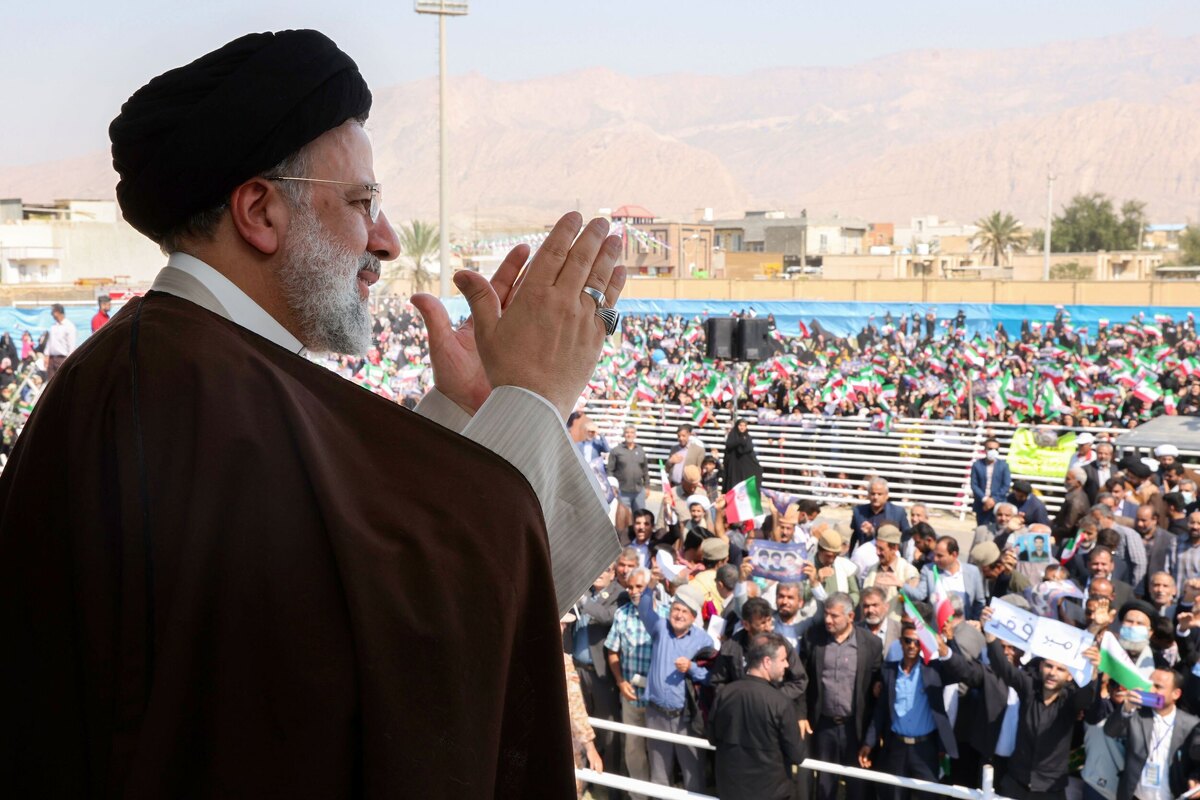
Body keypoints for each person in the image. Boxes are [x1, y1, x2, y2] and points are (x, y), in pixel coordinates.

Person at [0, 30, 625, 797]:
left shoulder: (191, 373)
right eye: (362, 203)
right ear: (260, 211)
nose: (388, 241)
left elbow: (337, 582)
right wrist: (533, 397)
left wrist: (468, 419)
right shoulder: (188, 394)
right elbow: (407, 663)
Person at [980, 606, 1101, 800]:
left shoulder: (1069, 702)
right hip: (1015, 783)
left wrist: (1093, 671)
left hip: (1050, 790)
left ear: (1070, 676)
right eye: (1049, 666)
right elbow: (1003, 668)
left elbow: (1086, 698)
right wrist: (990, 635)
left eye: (1060, 669)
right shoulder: (1029, 687)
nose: (1053, 672)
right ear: (1041, 666)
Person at [859, 621, 962, 800]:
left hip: (925, 748)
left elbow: (959, 671)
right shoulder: (889, 671)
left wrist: (950, 642)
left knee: (929, 796)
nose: (912, 645)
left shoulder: (933, 670)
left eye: (917, 642)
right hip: (896, 747)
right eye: (908, 641)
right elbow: (880, 712)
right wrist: (869, 743)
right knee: (894, 795)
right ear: (901, 642)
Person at [803, 592, 883, 800]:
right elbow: (802, 682)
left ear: (850, 617)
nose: (828, 620)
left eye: (834, 616)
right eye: (826, 614)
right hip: (824, 726)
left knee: (858, 786)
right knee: (824, 784)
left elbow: (877, 683)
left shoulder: (871, 643)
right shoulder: (813, 638)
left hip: (855, 728)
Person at [707, 632, 807, 800]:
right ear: (767, 662)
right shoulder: (781, 703)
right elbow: (797, 754)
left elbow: (712, 738)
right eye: (783, 659)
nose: (787, 665)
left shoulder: (725, 694)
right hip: (771, 793)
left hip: (730, 790)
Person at [637, 580, 713, 792]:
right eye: (676, 609)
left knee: (692, 772)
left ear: (694, 617)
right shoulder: (661, 627)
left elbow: (712, 677)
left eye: (685, 611)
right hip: (656, 713)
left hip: (685, 718)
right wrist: (651, 583)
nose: (679, 615)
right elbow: (644, 608)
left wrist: (691, 668)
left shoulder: (704, 640)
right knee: (659, 771)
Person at [1097, 668, 1200, 800]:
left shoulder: (1191, 724)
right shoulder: (1136, 715)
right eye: (1149, 684)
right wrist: (1126, 708)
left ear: (1176, 694)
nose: (1151, 690)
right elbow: (1110, 731)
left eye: (1158, 687)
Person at [604, 566, 655, 797]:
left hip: (656, 699)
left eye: (640, 587)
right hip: (631, 695)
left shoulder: (664, 612)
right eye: (631, 586)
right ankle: (639, 796)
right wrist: (620, 681)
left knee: (658, 749)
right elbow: (612, 652)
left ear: (649, 587)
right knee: (634, 749)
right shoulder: (622, 614)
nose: (634, 591)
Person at [562, 611, 605, 797]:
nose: (565, 628)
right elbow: (574, 707)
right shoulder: (561, 661)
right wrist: (590, 748)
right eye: (562, 623)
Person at [909, 536, 986, 620]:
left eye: (940, 556)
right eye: (935, 554)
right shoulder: (929, 570)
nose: (935, 559)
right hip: (938, 630)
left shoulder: (972, 572)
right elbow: (920, 595)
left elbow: (979, 602)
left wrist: (974, 622)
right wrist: (901, 585)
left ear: (954, 555)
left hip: (963, 629)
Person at [850, 478, 911, 550]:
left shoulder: (898, 512)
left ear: (887, 496)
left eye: (879, 494)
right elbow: (854, 537)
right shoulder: (858, 512)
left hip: (889, 555)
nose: (875, 497)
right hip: (865, 555)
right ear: (868, 495)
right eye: (873, 494)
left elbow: (907, 536)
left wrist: (873, 532)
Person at [971, 437, 1012, 527]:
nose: (993, 451)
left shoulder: (1004, 466)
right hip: (981, 503)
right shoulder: (977, 465)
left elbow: (1006, 485)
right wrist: (985, 499)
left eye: (996, 449)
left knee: (998, 531)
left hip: (998, 504)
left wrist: (993, 500)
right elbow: (974, 485)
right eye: (990, 449)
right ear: (985, 449)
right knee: (982, 529)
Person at [610, 425, 650, 512]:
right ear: (624, 434)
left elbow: (645, 470)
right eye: (627, 432)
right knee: (623, 519)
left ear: (635, 435)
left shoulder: (640, 450)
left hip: (638, 491)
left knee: (640, 516)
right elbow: (610, 471)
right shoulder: (616, 451)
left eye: (632, 433)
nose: (629, 435)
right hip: (622, 491)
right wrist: (612, 487)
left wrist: (647, 486)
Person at [722, 417, 762, 492]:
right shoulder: (732, 436)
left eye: (744, 425)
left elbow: (748, 449)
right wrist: (739, 441)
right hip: (734, 467)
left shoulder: (748, 437)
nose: (742, 427)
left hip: (745, 466)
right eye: (740, 425)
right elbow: (729, 446)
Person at [44, 302, 77, 381]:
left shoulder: (69, 326)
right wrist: (46, 355)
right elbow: (49, 342)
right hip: (52, 359)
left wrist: (68, 361)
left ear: (58, 312)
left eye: (53, 312)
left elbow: (71, 345)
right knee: (50, 383)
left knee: (62, 382)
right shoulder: (53, 327)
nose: (52, 314)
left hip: (62, 359)